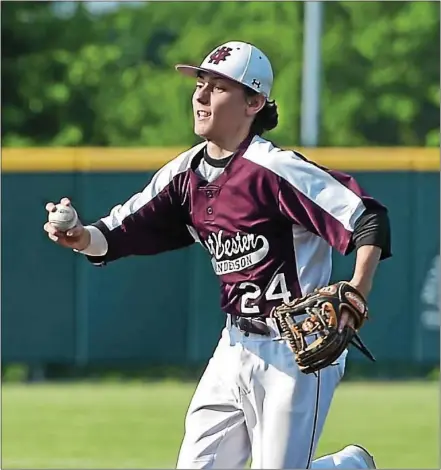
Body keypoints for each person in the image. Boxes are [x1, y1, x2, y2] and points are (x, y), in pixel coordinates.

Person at [44, 41, 391, 469]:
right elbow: (118, 231)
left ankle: (349, 466)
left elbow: (367, 218)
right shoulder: (184, 175)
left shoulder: (277, 170)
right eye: (200, 84)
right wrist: (80, 235)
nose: (201, 95)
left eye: (219, 87)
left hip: (296, 348)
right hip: (233, 346)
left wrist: (358, 289)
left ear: (254, 102)